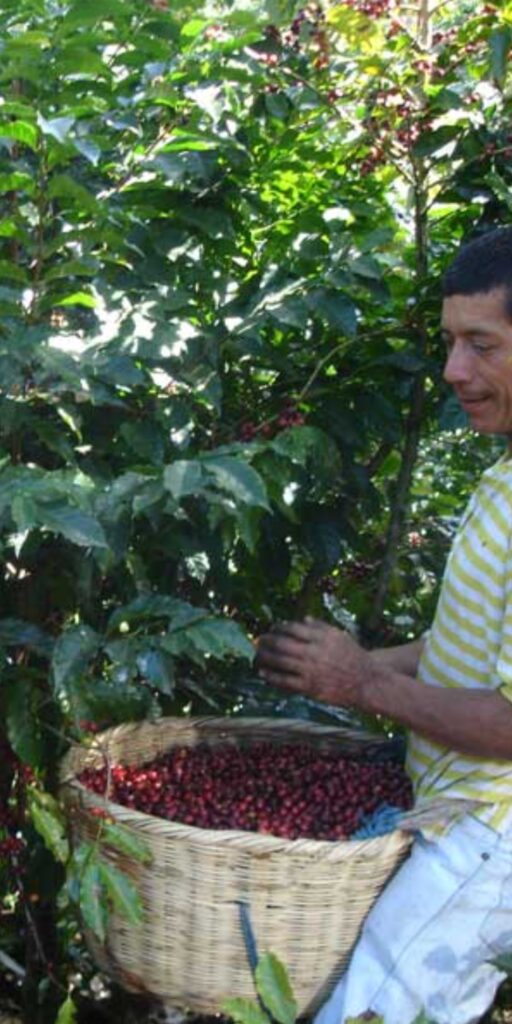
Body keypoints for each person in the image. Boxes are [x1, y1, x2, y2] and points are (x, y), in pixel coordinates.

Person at [256, 225, 512, 1024]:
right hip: (452, 819)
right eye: (448, 342)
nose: (453, 370)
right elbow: (472, 647)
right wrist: (350, 663)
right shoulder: (505, 471)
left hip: (489, 840)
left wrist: (362, 681)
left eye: (482, 345)